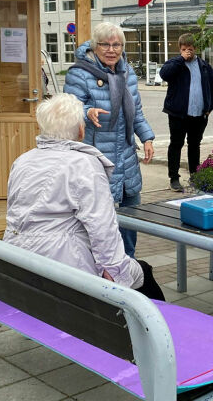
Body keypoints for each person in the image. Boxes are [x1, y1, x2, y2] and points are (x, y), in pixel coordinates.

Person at [4, 93, 164, 300]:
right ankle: (161, 330)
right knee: (143, 274)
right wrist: (113, 268)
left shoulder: (22, 161)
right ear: (81, 130)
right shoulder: (84, 165)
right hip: (64, 265)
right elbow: (101, 225)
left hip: (16, 257)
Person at [64, 22, 155, 258]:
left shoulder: (127, 73)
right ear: (95, 45)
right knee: (97, 221)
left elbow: (135, 112)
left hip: (125, 158)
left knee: (130, 217)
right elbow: (69, 108)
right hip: (96, 160)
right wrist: (87, 112)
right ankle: (99, 269)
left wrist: (146, 138)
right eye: (105, 44)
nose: (111, 49)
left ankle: (129, 263)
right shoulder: (79, 73)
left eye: (117, 45)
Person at [159, 33, 213, 192]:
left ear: (195, 49)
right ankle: (174, 178)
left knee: (194, 145)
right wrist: (181, 59)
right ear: (180, 49)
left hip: (199, 115)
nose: (187, 52)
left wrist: (210, 107)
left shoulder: (204, 66)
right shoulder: (175, 63)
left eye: (190, 49)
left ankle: (194, 175)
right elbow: (164, 74)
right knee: (176, 144)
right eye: (184, 49)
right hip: (178, 114)